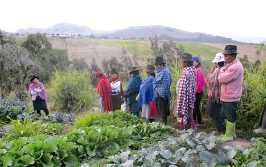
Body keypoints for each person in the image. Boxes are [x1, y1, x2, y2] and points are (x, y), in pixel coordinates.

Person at [218, 45, 244, 142]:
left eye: (226, 56)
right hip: (227, 95)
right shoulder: (230, 65)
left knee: (230, 115)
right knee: (225, 114)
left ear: (232, 56)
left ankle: (229, 135)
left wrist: (221, 71)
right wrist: (223, 70)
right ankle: (231, 134)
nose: (224, 57)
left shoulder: (235, 67)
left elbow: (221, 78)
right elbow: (223, 75)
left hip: (231, 95)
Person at [175, 53, 197, 130]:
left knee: (186, 115)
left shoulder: (186, 72)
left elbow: (182, 90)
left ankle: (187, 131)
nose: (181, 63)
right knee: (189, 114)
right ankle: (189, 131)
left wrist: (180, 102)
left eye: (182, 62)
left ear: (186, 63)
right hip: (191, 97)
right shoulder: (193, 70)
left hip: (185, 98)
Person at [206, 53, 226, 133]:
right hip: (223, 95)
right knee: (221, 112)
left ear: (217, 63)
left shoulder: (218, 70)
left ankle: (220, 129)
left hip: (217, 95)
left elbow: (209, 79)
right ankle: (222, 128)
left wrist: (212, 71)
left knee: (216, 113)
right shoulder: (225, 69)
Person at [153, 57, 172, 125]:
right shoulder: (161, 71)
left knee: (163, 113)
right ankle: (163, 125)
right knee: (162, 112)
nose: (156, 67)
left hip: (163, 95)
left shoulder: (164, 72)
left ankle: (164, 127)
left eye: (157, 65)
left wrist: (162, 95)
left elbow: (166, 85)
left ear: (161, 64)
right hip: (160, 94)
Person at [192, 56, 206, 128]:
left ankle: (199, 123)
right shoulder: (196, 69)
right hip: (196, 92)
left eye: (193, 61)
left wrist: (195, 92)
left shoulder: (198, 70)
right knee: (194, 107)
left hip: (198, 92)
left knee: (196, 107)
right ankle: (193, 122)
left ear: (197, 62)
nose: (192, 62)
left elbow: (200, 83)